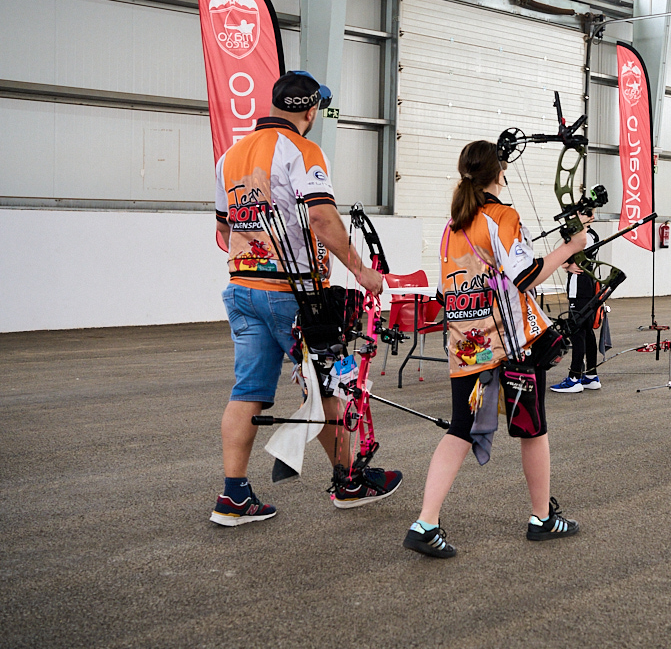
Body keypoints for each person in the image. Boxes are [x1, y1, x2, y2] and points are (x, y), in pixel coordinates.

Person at [211, 71, 401, 526]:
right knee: (326, 387)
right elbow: (321, 217)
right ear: (311, 110)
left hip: (242, 289)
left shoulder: (230, 156)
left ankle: (234, 496)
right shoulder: (303, 149)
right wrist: (361, 270)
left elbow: (222, 229)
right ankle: (350, 482)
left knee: (247, 391)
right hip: (293, 296)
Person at [403, 140, 587, 558]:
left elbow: (453, 288)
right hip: (509, 345)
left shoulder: (452, 227)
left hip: (466, 348)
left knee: (460, 428)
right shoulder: (502, 216)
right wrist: (572, 246)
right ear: (499, 173)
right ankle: (541, 518)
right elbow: (527, 276)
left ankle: (425, 522)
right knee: (532, 429)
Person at [550, 227, 602, 393]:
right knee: (586, 332)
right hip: (587, 289)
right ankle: (591, 376)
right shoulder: (591, 234)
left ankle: (574, 378)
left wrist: (567, 265)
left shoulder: (584, 236)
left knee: (577, 333)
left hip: (580, 290)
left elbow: (563, 259)